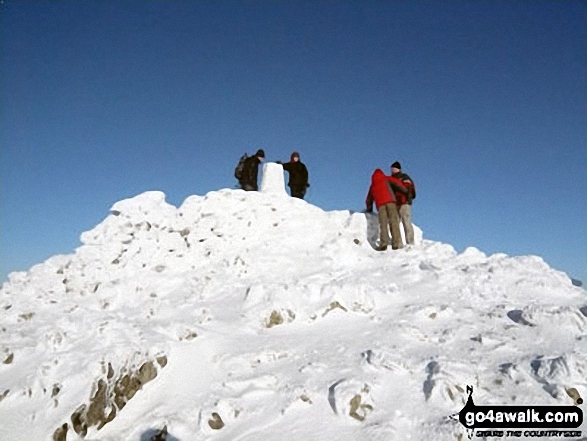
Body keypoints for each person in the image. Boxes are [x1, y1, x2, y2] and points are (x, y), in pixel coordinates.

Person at [366, 169, 408, 251]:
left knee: (383, 224)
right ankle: (396, 243)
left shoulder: (373, 185)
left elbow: (369, 199)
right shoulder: (386, 178)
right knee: (394, 222)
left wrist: (369, 209)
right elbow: (397, 184)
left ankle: (383, 243)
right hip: (390, 202)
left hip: (380, 205)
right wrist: (405, 191)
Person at [391, 161, 416, 245]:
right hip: (394, 204)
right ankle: (398, 243)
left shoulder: (404, 177)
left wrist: (409, 198)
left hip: (404, 202)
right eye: (392, 168)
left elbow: (409, 187)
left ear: (399, 169)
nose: (393, 169)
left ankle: (410, 243)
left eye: (395, 168)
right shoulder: (390, 179)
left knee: (406, 222)